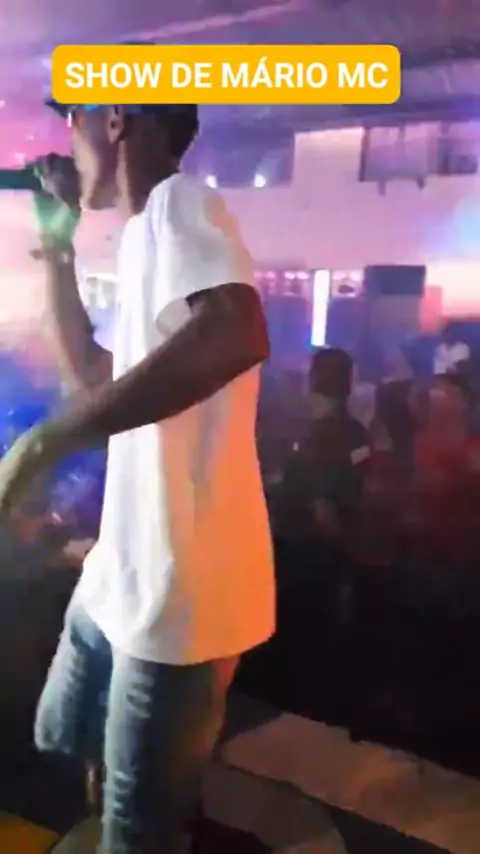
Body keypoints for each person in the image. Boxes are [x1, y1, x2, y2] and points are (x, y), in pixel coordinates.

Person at [0, 103, 274, 853]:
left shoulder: (181, 204)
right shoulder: (143, 237)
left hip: (177, 590)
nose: (66, 143)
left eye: (73, 120)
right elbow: (93, 376)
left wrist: (40, 446)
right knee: (62, 733)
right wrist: (58, 245)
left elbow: (238, 328)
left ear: (116, 117)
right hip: (120, 571)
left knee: (135, 827)